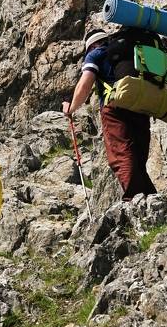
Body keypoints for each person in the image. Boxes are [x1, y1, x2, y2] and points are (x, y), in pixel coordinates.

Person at [62, 24, 158, 201]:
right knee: (138, 152)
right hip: (141, 103)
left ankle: (134, 199)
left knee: (121, 152)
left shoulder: (96, 53)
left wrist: (71, 108)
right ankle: (150, 197)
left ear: (91, 45)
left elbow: (85, 83)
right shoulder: (130, 49)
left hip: (114, 107)